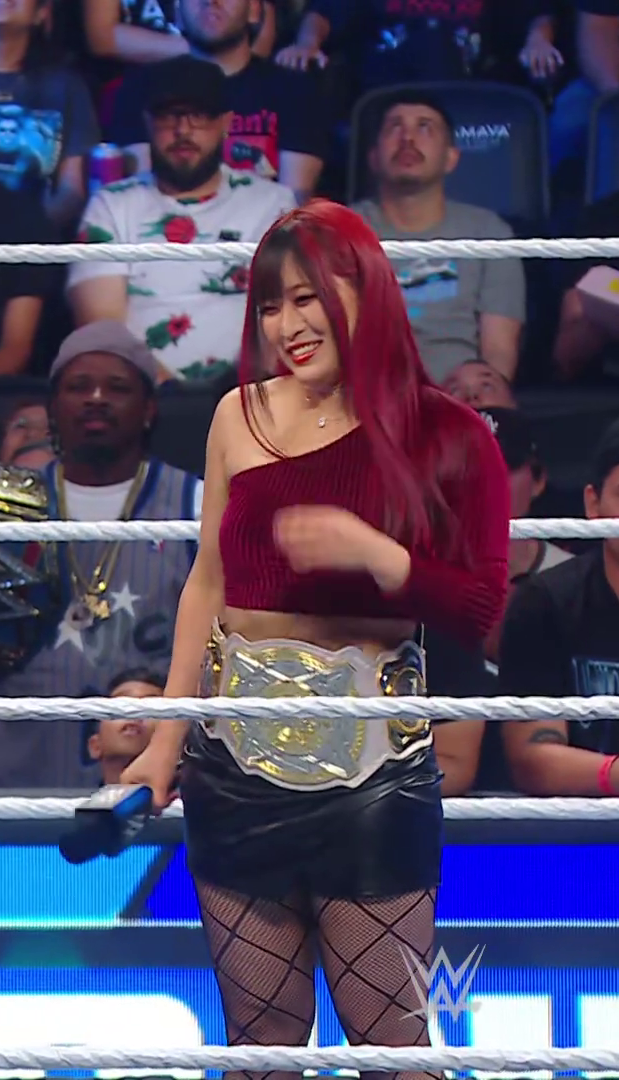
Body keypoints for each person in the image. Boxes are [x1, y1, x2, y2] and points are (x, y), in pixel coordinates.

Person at [121, 200, 509, 1077]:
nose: (287, 325)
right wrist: (164, 743)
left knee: (393, 1052)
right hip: (234, 766)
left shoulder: (449, 434)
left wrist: (377, 555)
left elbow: (483, 607)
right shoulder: (239, 415)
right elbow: (207, 584)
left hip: (371, 773)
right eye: (270, 304)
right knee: (258, 1050)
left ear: (367, 291)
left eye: (308, 298)